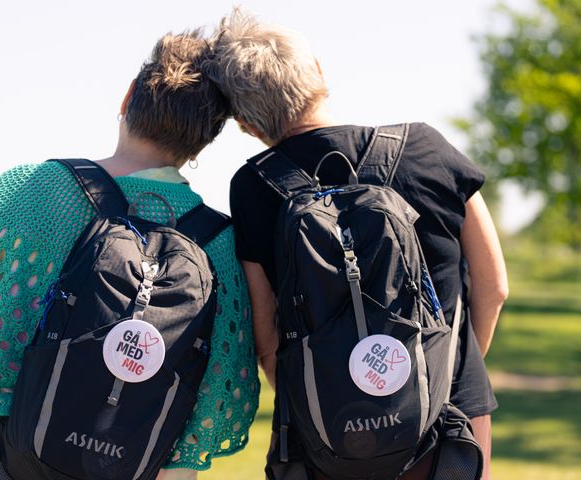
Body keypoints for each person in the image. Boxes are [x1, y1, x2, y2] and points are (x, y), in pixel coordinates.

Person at [0, 30, 259, 480]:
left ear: (129, 96)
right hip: (129, 462)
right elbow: (222, 385)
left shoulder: (35, 188)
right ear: (207, 137)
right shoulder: (218, 244)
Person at [205, 9, 508, 480]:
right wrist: (444, 375)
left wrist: (310, 401)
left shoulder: (253, 186)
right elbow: (494, 286)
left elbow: (264, 327)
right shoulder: (427, 149)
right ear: (320, 72)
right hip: (452, 425)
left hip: (327, 434)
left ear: (245, 122)